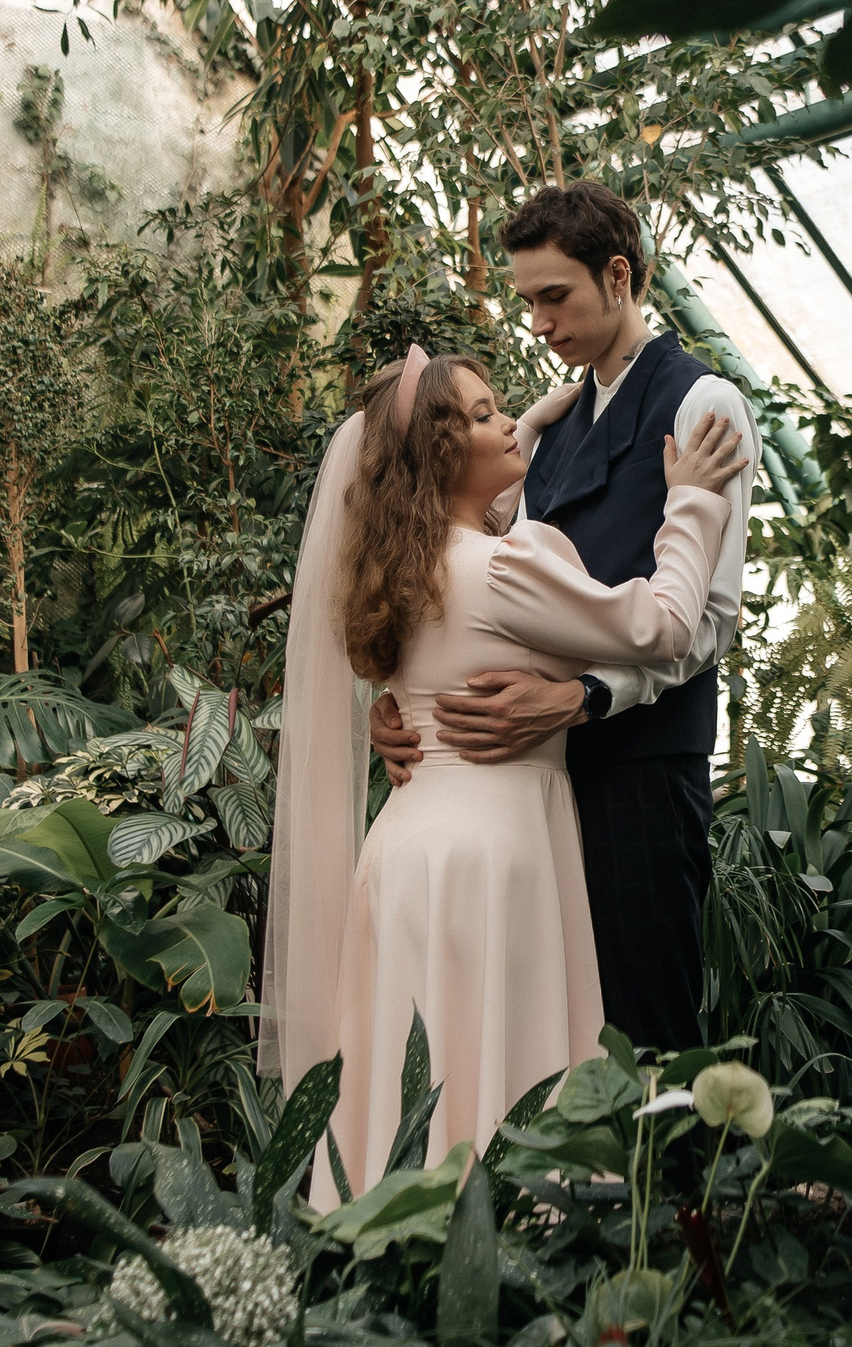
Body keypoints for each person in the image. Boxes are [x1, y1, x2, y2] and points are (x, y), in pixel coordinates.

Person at [264, 344, 747, 1205]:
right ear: (446, 455)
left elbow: (414, 671)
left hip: (406, 851)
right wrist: (695, 502)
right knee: (498, 1070)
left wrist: (527, 423)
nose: (506, 420)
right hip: (493, 855)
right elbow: (668, 624)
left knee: (414, 1077)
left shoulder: (396, 568)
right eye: (486, 415)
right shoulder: (500, 568)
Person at [370, 182, 759, 1052]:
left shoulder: (705, 409)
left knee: (644, 1024)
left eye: (556, 296)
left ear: (618, 275)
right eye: (529, 301)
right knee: (549, 1032)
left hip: (640, 769)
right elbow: (467, 586)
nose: (539, 323)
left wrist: (586, 696)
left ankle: (673, 1192)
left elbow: (708, 624)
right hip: (527, 785)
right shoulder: (543, 429)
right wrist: (405, 703)